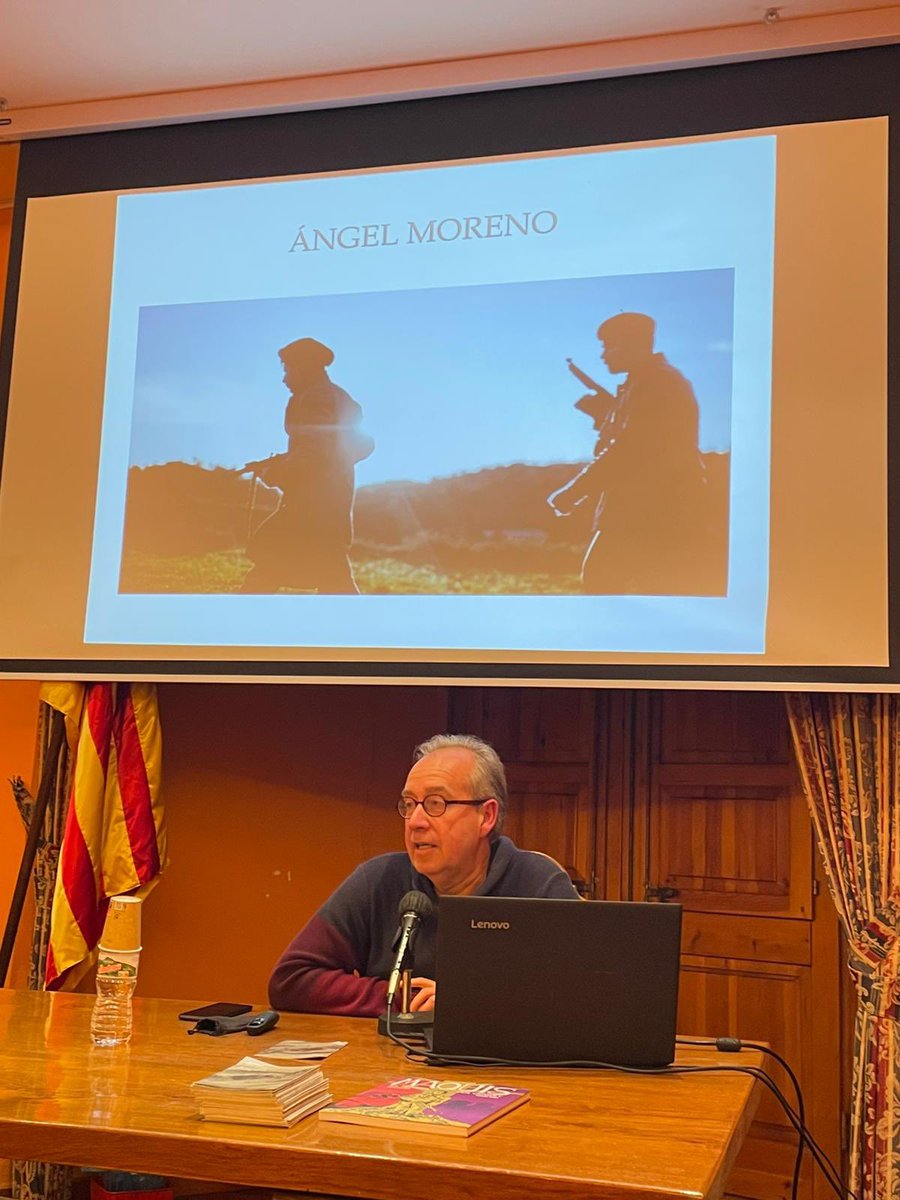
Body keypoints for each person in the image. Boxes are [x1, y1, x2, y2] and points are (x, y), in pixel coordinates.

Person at [267, 733, 579, 1017]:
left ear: (486, 816)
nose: (415, 821)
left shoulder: (538, 883)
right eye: (409, 804)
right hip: (395, 1065)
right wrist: (401, 997)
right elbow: (291, 978)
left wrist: (463, 1000)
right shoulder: (378, 879)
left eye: (435, 804)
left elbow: (583, 993)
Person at [548, 312, 709, 595]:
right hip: (642, 513)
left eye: (608, 346)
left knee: (604, 587)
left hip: (651, 514)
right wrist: (607, 417)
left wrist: (573, 492)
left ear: (634, 343)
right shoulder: (643, 384)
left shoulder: (658, 382)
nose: (603, 356)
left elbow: (630, 450)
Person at [242, 337, 374, 594]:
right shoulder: (340, 398)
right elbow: (352, 446)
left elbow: (314, 455)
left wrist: (275, 472)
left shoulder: (312, 398)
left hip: (309, 509)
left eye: (286, 369)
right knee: (332, 580)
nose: (284, 379)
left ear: (301, 367)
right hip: (332, 507)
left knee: (268, 570)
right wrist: (282, 460)